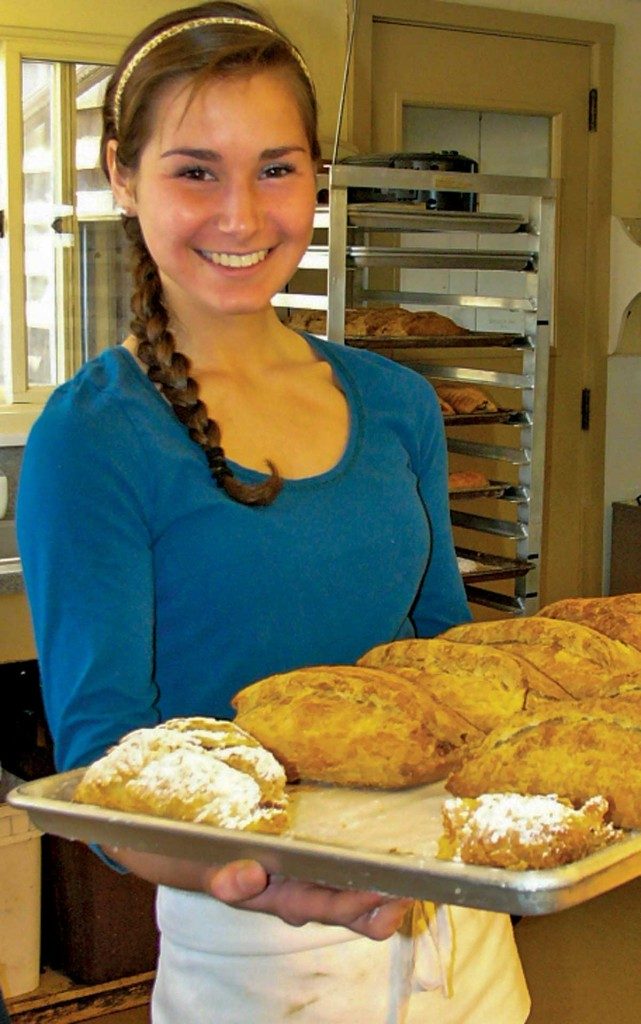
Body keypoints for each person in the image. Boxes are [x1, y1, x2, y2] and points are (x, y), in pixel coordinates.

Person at [16, 3, 531, 1022]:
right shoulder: (96, 437)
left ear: (316, 175)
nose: (242, 216)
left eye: (276, 168)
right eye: (194, 169)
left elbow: (442, 662)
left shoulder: (394, 403)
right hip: (256, 947)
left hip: (459, 918)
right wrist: (242, 874)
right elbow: (101, 763)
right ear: (123, 176)